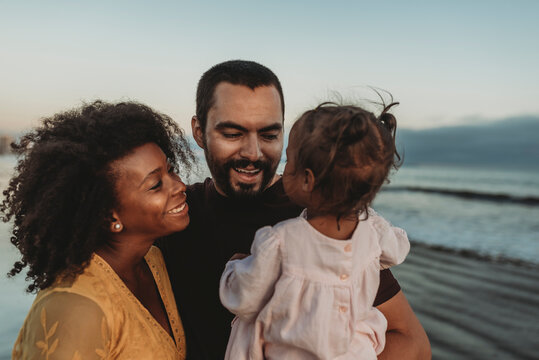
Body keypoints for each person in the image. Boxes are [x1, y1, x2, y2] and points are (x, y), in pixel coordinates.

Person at [158, 60, 431, 359]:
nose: (253, 153)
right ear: (199, 132)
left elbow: (413, 343)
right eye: (233, 134)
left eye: (269, 135)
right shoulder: (175, 213)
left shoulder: (321, 219)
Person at [2, 101, 194, 359]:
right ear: (108, 215)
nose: (180, 186)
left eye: (171, 170)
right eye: (156, 184)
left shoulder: (152, 261)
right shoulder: (75, 308)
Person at [220, 102, 410, 359]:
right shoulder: (374, 231)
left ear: (308, 179)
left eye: (290, 160)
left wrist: (235, 269)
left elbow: (244, 299)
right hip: (355, 352)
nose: (283, 168)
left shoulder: (281, 241)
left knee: (247, 326)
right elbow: (397, 252)